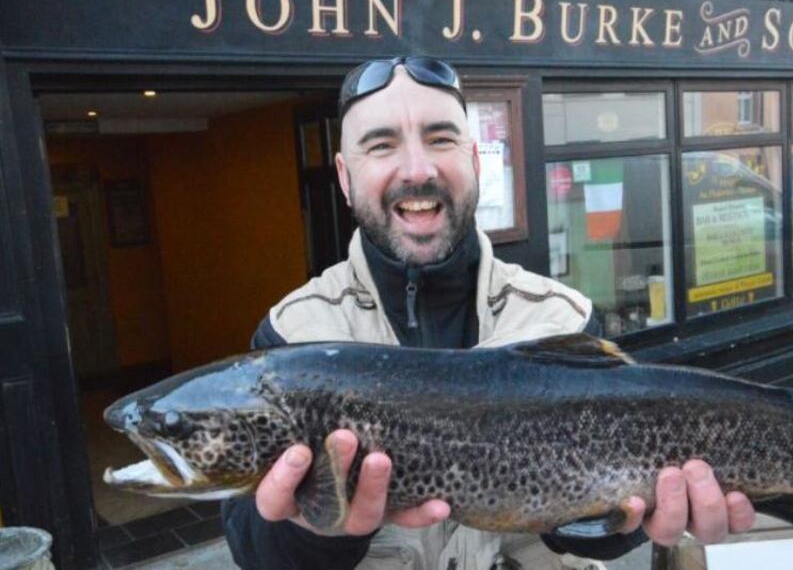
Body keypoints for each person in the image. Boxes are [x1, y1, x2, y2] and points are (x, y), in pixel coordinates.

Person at [222, 56, 756, 570]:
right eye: (381, 145)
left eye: (441, 138)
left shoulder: (561, 317)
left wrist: (633, 517)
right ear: (343, 177)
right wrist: (313, 532)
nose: (418, 169)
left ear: (475, 161)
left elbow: (600, 535)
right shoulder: (292, 337)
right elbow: (256, 551)